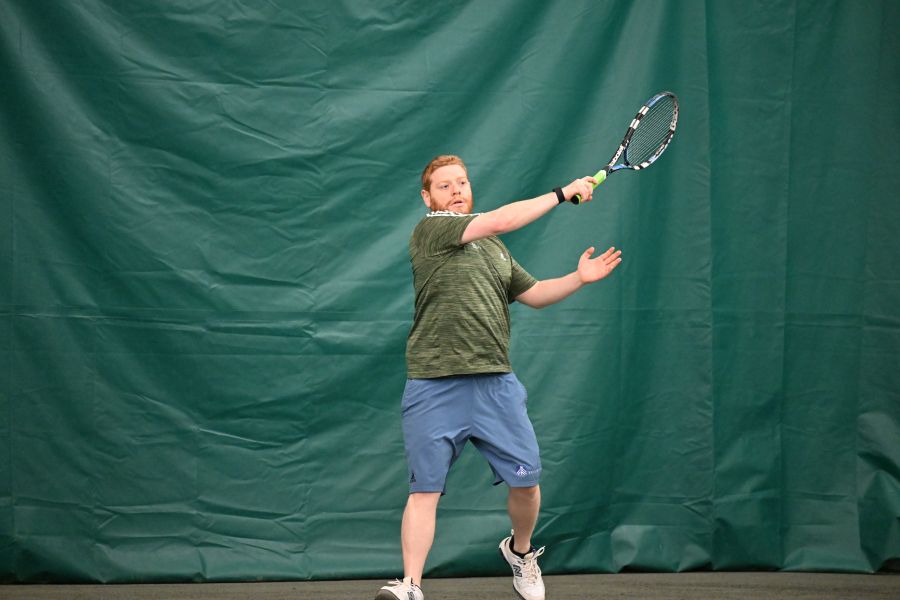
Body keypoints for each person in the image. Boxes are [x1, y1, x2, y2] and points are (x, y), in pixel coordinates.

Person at [375, 155, 622, 600]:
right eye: (445, 185)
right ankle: (410, 585)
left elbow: (535, 294)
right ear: (427, 197)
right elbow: (501, 220)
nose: (456, 190)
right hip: (434, 385)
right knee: (424, 491)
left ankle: (520, 552)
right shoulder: (430, 231)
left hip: (496, 385)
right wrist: (562, 192)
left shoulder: (493, 249)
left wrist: (579, 278)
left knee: (527, 483)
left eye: (462, 182)